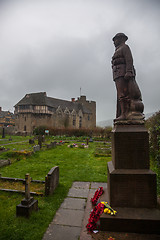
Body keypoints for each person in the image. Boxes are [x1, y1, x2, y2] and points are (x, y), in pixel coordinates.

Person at [111, 33, 144, 122]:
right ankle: (122, 113)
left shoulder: (125, 47)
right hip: (117, 74)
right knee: (120, 94)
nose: (114, 42)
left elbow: (129, 60)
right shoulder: (117, 50)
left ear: (121, 39)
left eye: (115, 40)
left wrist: (128, 71)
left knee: (123, 95)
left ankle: (124, 114)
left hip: (123, 73)